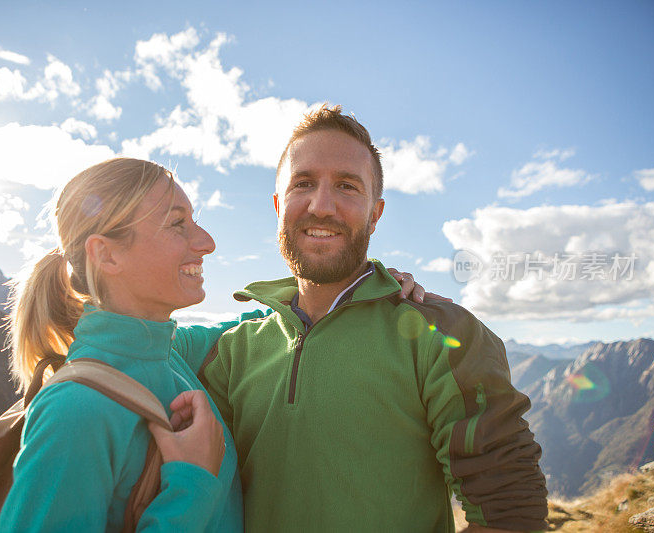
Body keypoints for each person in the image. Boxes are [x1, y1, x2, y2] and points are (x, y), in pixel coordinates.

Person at [0, 157, 428, 532]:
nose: (206, 242)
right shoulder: (74, 412)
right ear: (107, 255)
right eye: (177, 224)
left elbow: (277, 324)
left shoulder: (170, 354)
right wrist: (191, 485)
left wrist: (365, 288)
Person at [200, 106, 549, 532]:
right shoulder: (232, 351)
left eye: (347, 186)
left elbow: (510, 510)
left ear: (375, 214)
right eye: (303, 183)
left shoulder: (441, 332)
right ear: (278, 205)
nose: (321, 205)